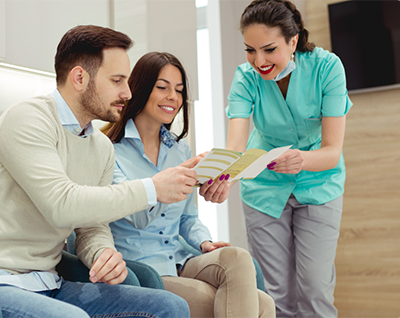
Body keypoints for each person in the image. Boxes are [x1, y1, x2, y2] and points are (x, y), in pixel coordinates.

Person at [0, 25, 198, 318]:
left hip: (48, 281)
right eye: (117, 80)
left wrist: (101, 253)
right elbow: (61, 205)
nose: (127, 92)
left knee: (169, 306)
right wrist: (152, 188)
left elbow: (92, 225)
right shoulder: (27, 119)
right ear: (79, 78)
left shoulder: (100, 146)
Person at [102, 52, 275, 318]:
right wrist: (170, 179)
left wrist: (204, 242)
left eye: (179, 90)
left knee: (238, 258)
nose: (173, 96)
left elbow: (187, 217)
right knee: (262, 305)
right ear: (140, 89)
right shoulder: (109, 151)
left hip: (181, 258)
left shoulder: (180, 149)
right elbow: (136, 216)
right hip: (143, 270)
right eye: (162, 87)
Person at [221, 0, 353, 317]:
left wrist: (301, 160)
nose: (259, 61)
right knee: (275, 296)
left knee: (315, 291)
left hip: (319, 182)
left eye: (269, 49)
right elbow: (236, 144)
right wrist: (222, 174)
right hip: (264, 186)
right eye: (250, 50)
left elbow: (332, 151)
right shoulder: (245, 77)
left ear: (292, 41)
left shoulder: (327, 68)